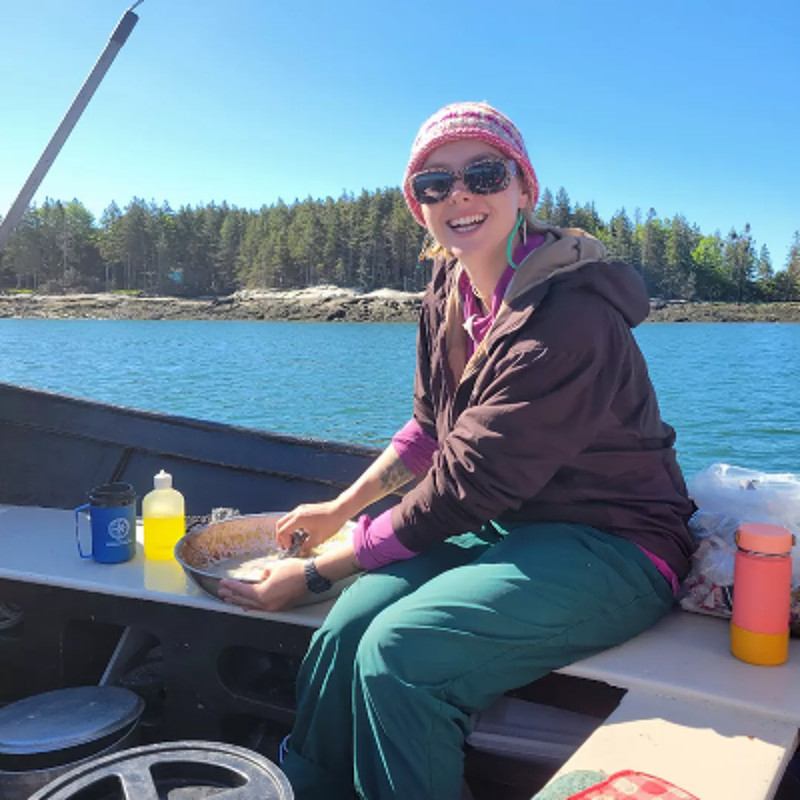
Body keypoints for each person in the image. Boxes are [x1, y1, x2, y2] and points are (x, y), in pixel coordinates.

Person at [219, 101, 695, 800]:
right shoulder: (448, 288)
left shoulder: (568, 318)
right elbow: (430, 431)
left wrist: (319, 572)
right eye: (434, 184)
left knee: (401, 655)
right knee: (344, 634)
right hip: (505, 528)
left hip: (615, 544)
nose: (459, 195)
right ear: (419, 206)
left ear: (525, 188)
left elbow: (466, 485)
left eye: (483, 173)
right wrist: (338, 510)